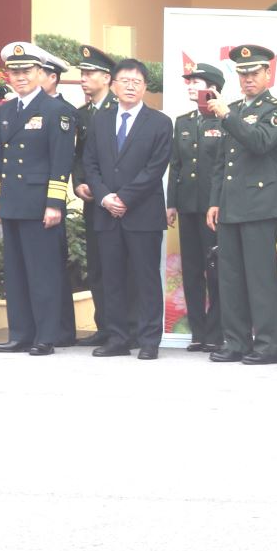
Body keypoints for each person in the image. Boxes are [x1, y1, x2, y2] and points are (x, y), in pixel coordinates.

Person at [0, 42, 76, 356]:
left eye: (26, 71)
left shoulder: (57, 111)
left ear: (41, 73)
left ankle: (45, 336)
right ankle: (20, 334)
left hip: (40, 204)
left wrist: (54, 204)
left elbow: (60, 161)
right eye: (14, 71)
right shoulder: (8, 110)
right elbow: (0, 157)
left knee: (43, 272)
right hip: (12, 202)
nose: (20, 77)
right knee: (16, 272)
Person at [81, 58, 172, 360]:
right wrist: (105, 197)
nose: (131, 86)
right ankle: (117, 338)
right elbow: (89, 163)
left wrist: (125, 198)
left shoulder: (159, 122)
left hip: (142, 213)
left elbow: (155, 168)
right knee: (112, 277)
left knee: (146, 278)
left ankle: (148, 340)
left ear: (146, 87)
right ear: (114, 84)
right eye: (125, 80)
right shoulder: (100, 120)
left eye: (137, 81)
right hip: (106, 213)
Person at [205, 43, 277, 365]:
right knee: (230, 278)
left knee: (260, 279)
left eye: (254, 73)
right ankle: (235, 341)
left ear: (268, 74)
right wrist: (214, 201)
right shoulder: (235, 106)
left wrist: (228, 115)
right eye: (243, 74)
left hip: (259, 204)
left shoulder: (275, 108)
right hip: (230, 204)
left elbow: (260, 142)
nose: (248, 79)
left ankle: (267, 346)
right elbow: (222, 161)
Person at [167, 61, 226, 352]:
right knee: (191, 270)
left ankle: (216, 333)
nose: (190, 86)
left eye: (196, 82)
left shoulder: (226, 119)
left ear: (212, 88)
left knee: (214, 269)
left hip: (214, 209)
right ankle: (198, 333)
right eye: (188, 82)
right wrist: (171, 203)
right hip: (188, 205)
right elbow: (176, 166)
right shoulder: (184, 120)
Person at [70, 45, 118, 347]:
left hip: (119, 201)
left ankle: (126, 327)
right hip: (93, 201)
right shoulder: (82, 114)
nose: (84, 79)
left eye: (89, 74)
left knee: (120, 266)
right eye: (82, 74)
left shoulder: (120, 107)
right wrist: (78, 183)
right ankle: (104, 327)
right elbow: (79, 155)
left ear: (106, 77)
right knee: (98, 265)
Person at [35, 47, 80, 347]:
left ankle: (63, 330)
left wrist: (55, 201)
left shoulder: (64, 111)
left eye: (36, 72)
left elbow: (63, 161)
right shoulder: (21, 108)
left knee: (53, 267)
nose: (28, 78)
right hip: (24, 202)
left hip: (50, 200)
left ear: (52, 78)